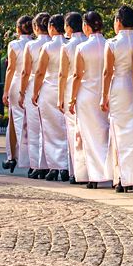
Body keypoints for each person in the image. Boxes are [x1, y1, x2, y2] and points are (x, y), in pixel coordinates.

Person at [103, 6, 133, 193]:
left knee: (119, 133)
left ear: (118, 21)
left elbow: (107, 72)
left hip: (118, 86)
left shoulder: (111, 43)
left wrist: (103, 96)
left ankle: (122, 178)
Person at [71, 11, 111, 189]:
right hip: (106, 92)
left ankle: (94, 175)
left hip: (87, 93)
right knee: (105, 132)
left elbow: (77, 75)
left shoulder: (82, 48)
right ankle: (109, 171)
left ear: (86, 26)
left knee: (89, 135)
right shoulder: (109, 44)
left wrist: (72, 98)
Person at [32, 16, 68, 180]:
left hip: (49, 88)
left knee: (50, 129)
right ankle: (67, 164)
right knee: (66, 128)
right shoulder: (68, 43)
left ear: (52, 27)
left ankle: (55, 166)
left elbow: (39, 72)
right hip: (66, 88)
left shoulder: (48, 46)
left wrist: (35, 92)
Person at [21, 13, 51, 178]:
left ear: (35, 27)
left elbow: (26, 71)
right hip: (51, 85)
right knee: (51, 127)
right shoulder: (56, 43)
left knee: (34, 128)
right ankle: (52, 162)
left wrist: (22, 92)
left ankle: (37, 164)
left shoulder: (31, 46)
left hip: (34, 84)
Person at [2, 16, 33, 172]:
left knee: (17, 121)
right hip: (32, 82)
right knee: (22, 121)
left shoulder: (14, 44)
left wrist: (5, 90)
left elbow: (10, 68)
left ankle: (20, 157)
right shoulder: (36, 43)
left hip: (17, 82)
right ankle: (12, 155)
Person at [59, 12, 87, 184]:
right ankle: (91, 170)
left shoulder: (68, 46)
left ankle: (77, 171)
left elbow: (63, 74)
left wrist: (60, 96)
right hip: (92, 88)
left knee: (73, 132)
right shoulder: (89, 41)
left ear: (68, 27)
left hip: (71, 89)